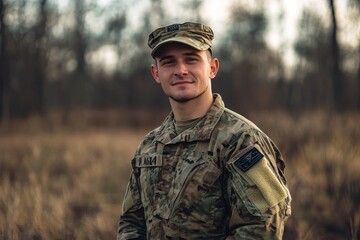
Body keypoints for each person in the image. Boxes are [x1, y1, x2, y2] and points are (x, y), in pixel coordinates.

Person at [117, 22, 291, 239]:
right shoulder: (150, 145)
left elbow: (263, 227)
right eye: (169, 62)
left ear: (212, 68)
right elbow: (131, 221)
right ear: (156, 73)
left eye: (191, 59)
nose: (180, 70)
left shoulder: (241, 139)